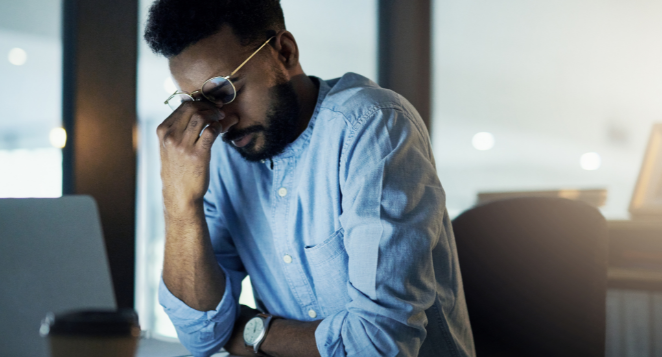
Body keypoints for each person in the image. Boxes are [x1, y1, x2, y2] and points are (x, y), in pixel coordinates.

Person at [145, 1, 474, 356]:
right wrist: (180, 201)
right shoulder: (224, 157)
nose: (221, 120)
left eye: (223, 91)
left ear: (284, 52)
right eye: (197, 104)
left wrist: (252, 334)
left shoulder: (371, 125)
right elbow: (200, 333)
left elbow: (379, 345)